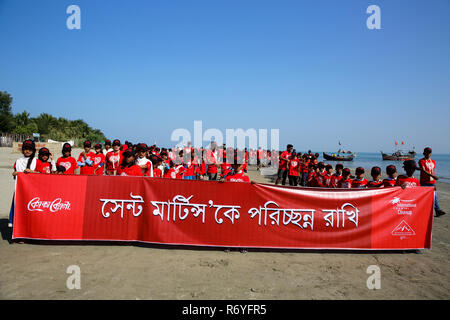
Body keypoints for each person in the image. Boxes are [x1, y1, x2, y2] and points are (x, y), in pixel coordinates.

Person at [9, 139, 38, 227]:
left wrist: (32, 172)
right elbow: (15, 175)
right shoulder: (18, 162)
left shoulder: (37, 161)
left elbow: (43, 176)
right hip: (19, 191)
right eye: (25, 148)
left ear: (33, 150)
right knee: (19, 210)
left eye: (30, 149)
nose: (27, 151)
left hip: (33, 192)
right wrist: (14, 174)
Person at [418, 147, 446, 217]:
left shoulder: (433, 161)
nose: (428, 154)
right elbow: (423, 171)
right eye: (426, 152)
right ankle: (422, 211)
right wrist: (433, 176)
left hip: (432, 182)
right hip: (424, 182)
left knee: (434, 197)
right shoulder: (421, 161)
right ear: (424, 153)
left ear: (431, 153)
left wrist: (434, 181)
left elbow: (432, 171)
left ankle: (437, 210)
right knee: (424, 198)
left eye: (429, 153)